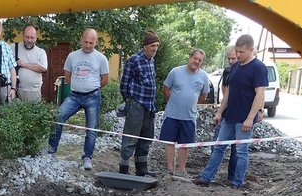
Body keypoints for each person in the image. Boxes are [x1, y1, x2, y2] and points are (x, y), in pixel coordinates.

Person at [193, 35, 268, 189]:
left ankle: (237, 182)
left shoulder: (258, 68)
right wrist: (220, 112)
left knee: (241, 151)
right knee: (218, 146)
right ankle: (206, 177)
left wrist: (250, 117)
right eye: (237, 51)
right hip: (230, 116)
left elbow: (260, 94)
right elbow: (229, 92)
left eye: (241, 52)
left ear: (251, 49)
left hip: (244, 119)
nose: (238, 55)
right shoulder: (235, 67)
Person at [45, 28, 109, 171]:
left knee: (91, 128)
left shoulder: (101, 58)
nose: (87, 45)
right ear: (81, 40)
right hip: (74, 95)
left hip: (93, 97)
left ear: (96, 42)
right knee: (58, 116)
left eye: (91, 43)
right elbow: (67, 75)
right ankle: (51, 149)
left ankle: (87, 157)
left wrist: (92, 86)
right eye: (85, 42)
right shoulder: (72, 56)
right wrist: (76, 85)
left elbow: (105, 80)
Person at [158, 49, 209, 178]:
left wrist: (193, 103)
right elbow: (165, 88)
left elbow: (204, 94)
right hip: (172, 115)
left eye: (199, 60)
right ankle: (170, 169)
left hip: (189, 116)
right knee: (169, 142)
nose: (196, 62)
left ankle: (182, 170)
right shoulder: (175, 72)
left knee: (184, 144)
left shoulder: (203, 76)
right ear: (190, 57)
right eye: (195, 58)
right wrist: (173, 102)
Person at [118, 30, 160, 176]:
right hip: (136, 104)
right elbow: (124, 83)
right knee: (130, 138)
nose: (155, 49)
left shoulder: (151, 60)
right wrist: (128, 100)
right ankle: (123, 169)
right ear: (145, 46)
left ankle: (142, 170)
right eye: (152, 45)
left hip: (149, 106)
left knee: (146, 138)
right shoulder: (134, 60)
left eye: (157, 45)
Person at [212, 46, 238, 182]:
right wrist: (220, 112)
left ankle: (233, 177)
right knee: (217, 145)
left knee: (237, 149)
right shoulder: (228, 71)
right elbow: (225, 91)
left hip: (240, 116)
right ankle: (210, 175)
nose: (231, 61)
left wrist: (260, 111)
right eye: (229, 59)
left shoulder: (249, 69)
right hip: (226, 114)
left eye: (233, 58)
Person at [11, 25, 48, 102]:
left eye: (32, 38)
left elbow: (43, 68)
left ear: (36, 38)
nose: (29, 40)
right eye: (27, 37)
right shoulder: (14, 47)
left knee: (33, 113)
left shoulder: (40, 52)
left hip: (34, 92)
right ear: (23, 36)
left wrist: (25, 65)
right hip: (16, 90)